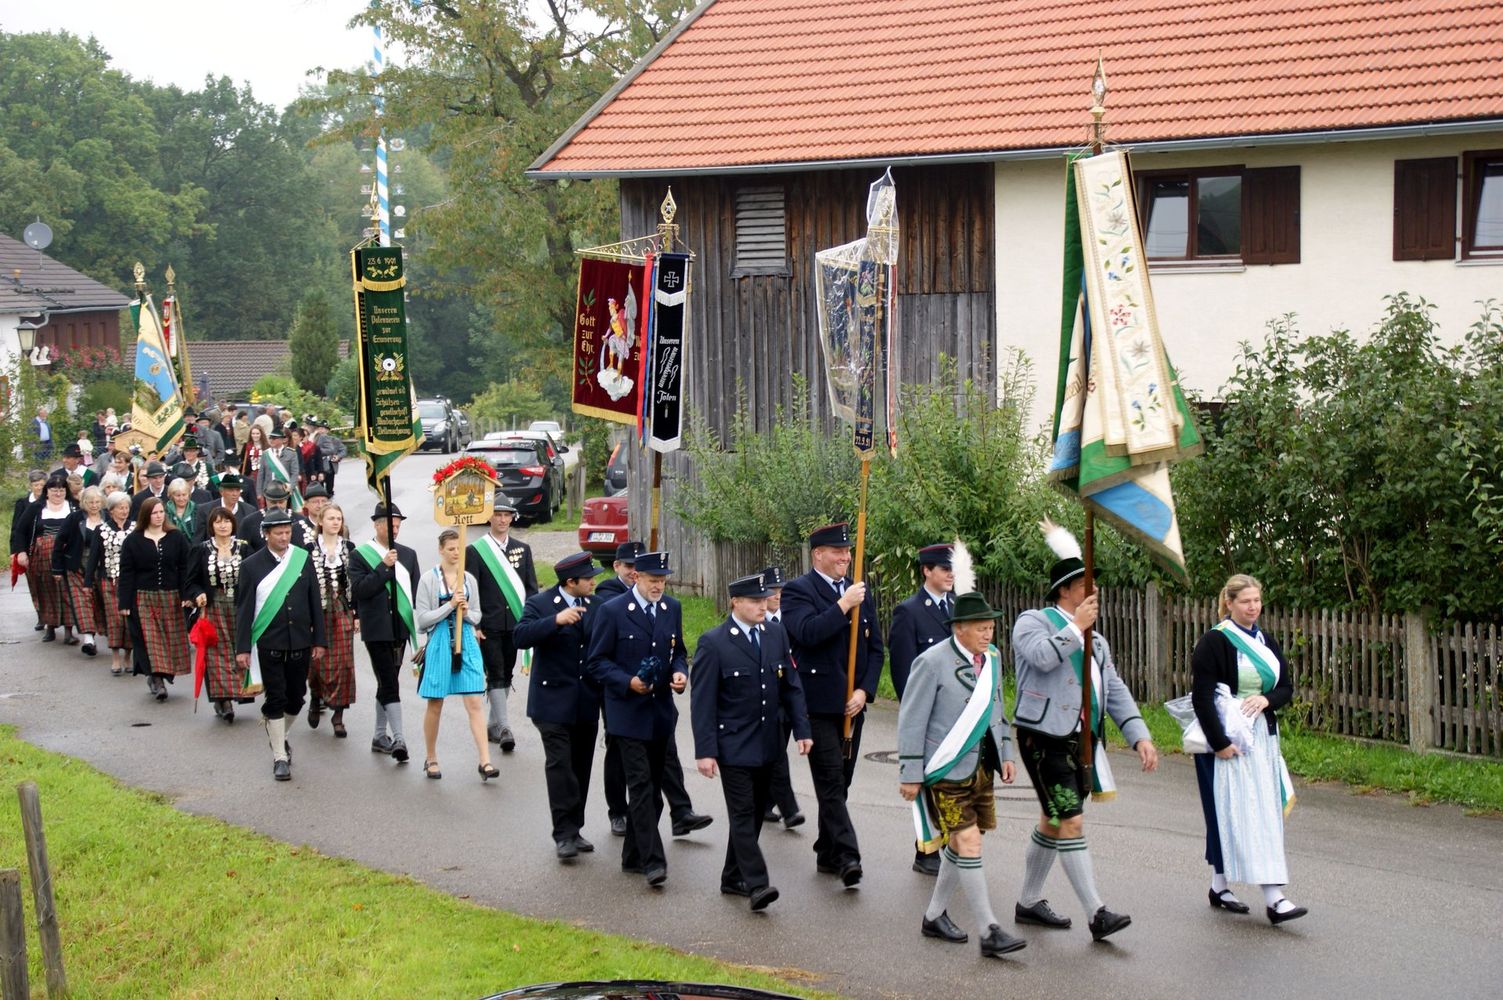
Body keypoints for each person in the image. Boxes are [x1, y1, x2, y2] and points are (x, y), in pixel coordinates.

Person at [1009, 521, 1158, 942]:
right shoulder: (1032, 622)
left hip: (1082, 742)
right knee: (1070, 821)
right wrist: (1076, 628)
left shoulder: (1100, 641)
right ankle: (1097, 913)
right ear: (1065, 591)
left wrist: (1140, 735)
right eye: (1086, 584)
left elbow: (1114, 692)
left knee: (1054, 820)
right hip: (1043, 738)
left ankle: (1028, 902)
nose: (1094, 591)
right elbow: (1040, 658)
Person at [898, 590, 1026, 957]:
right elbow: (912, 720)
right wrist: (910, 772)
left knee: (960, 843)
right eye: (981, 628)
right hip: (946, 768)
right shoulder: (931, 662)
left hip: (981, 767)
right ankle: (989, 930)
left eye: (991, 628)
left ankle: (934, 915)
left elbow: (998, 708)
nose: (988, 635)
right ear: (960, 628)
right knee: (969, 842)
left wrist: (1006, 752)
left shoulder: (993, 659)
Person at [691, 573, 813, 911]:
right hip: (733, 746)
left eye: (765, 600)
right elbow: (702, 702)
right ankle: (757, 884)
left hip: (768, 744)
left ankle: (732, 876)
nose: (764, 606)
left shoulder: (775, 634)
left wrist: (802, 730)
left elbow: (791, 686)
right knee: (743, 814)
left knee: (757, 813)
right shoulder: (714, 642)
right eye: (755, 601)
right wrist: (706, 751)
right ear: (735, 603)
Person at [1191, 573, 1305, 925]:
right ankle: (1273, 897)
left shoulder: (1267, 641)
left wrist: (1266, 699)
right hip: (1228, 739)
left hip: (1263, 739)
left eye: (1256, 601)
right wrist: (1220, 743)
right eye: (1245, 601)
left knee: (1262, 815)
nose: (1252, 607)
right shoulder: (1214, 642)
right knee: (1229, 816)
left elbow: (1286, 688)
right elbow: (1203, 696)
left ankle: (1223, 886)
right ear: (1229, 603)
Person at [780, 521, 884, 887]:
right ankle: (848, 856)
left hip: (852, 707)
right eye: (837, 552)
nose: (845, 557)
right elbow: (807, 633)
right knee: (829, 781)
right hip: (818, 706)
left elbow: (875, 649)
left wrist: (863, 692)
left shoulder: (859, 593)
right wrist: (842, 605)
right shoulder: (798, 591)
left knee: (842, 783)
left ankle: (826, 851)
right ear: (817, 555)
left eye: (847, 552)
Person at [587, 551, 689, 887]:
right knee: (642, 788)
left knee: (654, 794)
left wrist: (679, 674)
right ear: (636, 578)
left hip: (659, 714)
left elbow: (679, 652)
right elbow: (597, 662)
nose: (659, 586)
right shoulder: (613, 611)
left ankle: (632, 855)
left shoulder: (671, 608)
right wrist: (627, 681)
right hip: (626, 713)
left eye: (662, 580)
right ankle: (653, 862)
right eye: (652, 580)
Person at [514, 551, 604, 861]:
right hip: (551, 704)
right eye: (589, 578)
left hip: (585, 702)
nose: (594, 582)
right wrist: (555, 621)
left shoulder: (597, 606)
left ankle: (575, 828)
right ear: (571, 581)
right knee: (561, 767)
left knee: (580, 767)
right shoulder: (541, 604)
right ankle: (563, 834)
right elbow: (520, 637)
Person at [234, 508, 326, 781]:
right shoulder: (251, 566)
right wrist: (242, 648)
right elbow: (244, 608)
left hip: (299, 639)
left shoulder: (302, 559)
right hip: (269, 641)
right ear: (266, 534)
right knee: (276, 697)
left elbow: (314, 602)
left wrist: (319, 639)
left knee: (297, 697)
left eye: (287, 532)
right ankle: (279, 756)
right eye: (279, 533)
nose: (285, 537)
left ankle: (279, 735)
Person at [889, 543, 958, 876]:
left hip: (959, 716)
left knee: (956, 781)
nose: (950, 575)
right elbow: (904, 672)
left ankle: (953, 846)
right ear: (926, 571)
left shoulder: (961, 607)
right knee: (926, 782)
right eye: (944, 568)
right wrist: (913, 717)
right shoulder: (910, 611)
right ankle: (926, 851)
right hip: (928, 716)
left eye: (953, 569)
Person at [414, 528, 497, 782]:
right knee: (436, 703)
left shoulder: (468, 579)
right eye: (451, 549)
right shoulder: (429, 579)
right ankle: (431, 757)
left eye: (459, 549)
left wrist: (465, 611)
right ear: (441, 550)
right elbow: (422, 620)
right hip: (439, 642)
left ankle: (485, 760)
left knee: (474, 700)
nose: (456, 553)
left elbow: (477, 615)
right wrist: (449, 606)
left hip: (467, 642)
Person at [349, 502, 420, 764]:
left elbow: (414, 595)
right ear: (377, 525)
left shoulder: (409, 555)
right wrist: (383, 567)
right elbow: (360, 591)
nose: (396, 529)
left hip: (400, 627)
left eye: (399, 525)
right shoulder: (359, 556)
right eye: (391, 525)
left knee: (387, 680)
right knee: (390, 681)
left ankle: (379, 735)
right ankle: (399, 737)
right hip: (376, 629)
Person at [468, 498, 538, 750]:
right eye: (497, 514)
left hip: (516, 624)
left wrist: (531, 619)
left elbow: (531, 588)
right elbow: (471, 589)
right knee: (495, 672)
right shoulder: (476, 551)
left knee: (506, 673)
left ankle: (493, 723)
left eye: (506, 515)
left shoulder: (523, 549)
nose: (502, 519)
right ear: (489, 517)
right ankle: (506, 727)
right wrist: (473, 624)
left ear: (512, 518)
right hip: (488, 624)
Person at [118, 497, 193, 701]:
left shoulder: (175, 537)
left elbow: (185, 567)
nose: (159, 516)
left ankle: (159, 675)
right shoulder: (133, 540)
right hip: (143, 597)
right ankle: (157, 679)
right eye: (154, 513)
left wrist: (187, 594)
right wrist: (124, 602)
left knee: (170, 639)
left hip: (171, 596)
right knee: (151, 640)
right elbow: (126, 572)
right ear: (146, 516)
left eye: (161, 512)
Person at [595, 540, 645, 835]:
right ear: (616, 567)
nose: (634, 572)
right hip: (616, 685)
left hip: (648, 686)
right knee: (617, 748)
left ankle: (677, 809)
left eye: (639, 567)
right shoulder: (608, 594)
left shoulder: (652, 593)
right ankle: (618, 810)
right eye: (629, 567)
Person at [187, 507, 255, 722]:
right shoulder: (202, 550)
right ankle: (222, 699)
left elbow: (255, 577)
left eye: (226, 521)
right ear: (211, 526)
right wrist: (197, 594)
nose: (223, 525)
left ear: (233, 524)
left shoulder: (244, 549)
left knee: (238, 648)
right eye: (218, 522)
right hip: (214, 606)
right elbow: (190, 581)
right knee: (215, 653)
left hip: (238, 606)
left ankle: (238, 691)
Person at [306, 504, 358, 739]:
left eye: (339, 518)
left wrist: (356, 614)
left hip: (341, 608)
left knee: (344, 662)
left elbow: (355, 583)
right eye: (331, 518)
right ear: (320, 522)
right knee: (318, 660)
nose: (335, 522)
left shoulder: (349, 548)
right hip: (317, 610)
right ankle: (316, 698)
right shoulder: (308, 549)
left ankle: (338, 716)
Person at [760, 565, 805, 830]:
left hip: (789, 695)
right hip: (766, 700)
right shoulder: (755, 620)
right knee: (777, 753)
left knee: (773, 752)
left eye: (780, 590)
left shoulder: (790, 618)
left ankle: (764, 802)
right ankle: (789, 809)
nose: (777, 596)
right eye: (772, 591)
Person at [17, 474, 78, 643]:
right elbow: (20, 530)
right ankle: (50, 627)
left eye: (61, 490)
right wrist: (21, 552)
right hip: (42, 555)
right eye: (54, 490)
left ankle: (68, 631)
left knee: (67, 590)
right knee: (46, 590)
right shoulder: (37, 507)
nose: (58, 493)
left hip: (67, 554)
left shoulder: (73, 507)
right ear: (47, 491)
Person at [51, 484, 106, 656]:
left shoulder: (108, 517)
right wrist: (57, 569)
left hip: (101, 568)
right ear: (84, 503)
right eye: (90, 502)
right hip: (76, 566)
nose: (94, 505)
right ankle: (88, 639)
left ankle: (109, 634)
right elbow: (59, 542)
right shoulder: (74, 518)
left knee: (99, 601)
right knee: (82, 601)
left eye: (97, 501)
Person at [87, 491, 135, 676]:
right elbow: (93, 557)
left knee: (129, 618)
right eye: (120, 508)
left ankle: (128, 657)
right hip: (108, 580)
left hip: (130, 581)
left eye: (126, 507)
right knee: (114, 619)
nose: (124, 511)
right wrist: (88, 581)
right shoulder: (102, 529)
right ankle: (115, 657)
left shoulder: (135, 528)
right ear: (112, 510)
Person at [12, 470, 48, 631]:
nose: (39, 488)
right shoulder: (23, 503)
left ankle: (52, 617)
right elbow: (16, 528)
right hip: (29, 549)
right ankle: (40, 615)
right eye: (36, 485)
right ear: (30, 486)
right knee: (34, 584)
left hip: (47, 549)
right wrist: (17, 550)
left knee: (48, 584)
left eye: (42, 485)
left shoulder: (51, 501)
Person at [191, 472, 255, 543]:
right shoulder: (205, 510)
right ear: (221, 492)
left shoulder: (249, 511)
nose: (235, 494)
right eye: (231, 490)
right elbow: (198, 540)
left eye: (237, 490)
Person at [239, 479, 294, 553]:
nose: (277, 506)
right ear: (266, 499)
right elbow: (243, 551)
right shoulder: (249, 522)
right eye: (273, 502)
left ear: (287, 499)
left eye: (281, 502)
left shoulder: (299, 521)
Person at [257, 427, 301, 505]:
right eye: (270, 438)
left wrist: (291, 487)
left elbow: (294, 473)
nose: (271, 440)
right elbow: (261, 475)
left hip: (284, 491)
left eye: (274, 438)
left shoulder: (291, 453)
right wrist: (259, 492)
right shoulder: (266, 454)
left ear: (282, 440)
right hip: (268, 491)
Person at [314, 422, 345, 496]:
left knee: (329, 488)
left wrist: (338, 456)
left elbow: (343, 450)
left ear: (327, 431)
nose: (320, 431)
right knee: (319, 487)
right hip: (319, 466)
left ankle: (329, 498)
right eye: (319, 429)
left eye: (323, 429)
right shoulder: (314, 439)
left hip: (330, 465)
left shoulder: (335, 440)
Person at [242, 424, 268, 507]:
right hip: (251, 474)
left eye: (257, 433)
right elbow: (243, 461)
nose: (255, 436)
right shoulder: (247, 446)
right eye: (253, 433)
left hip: (263, 475)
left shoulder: (266, 446)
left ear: (261, 434)